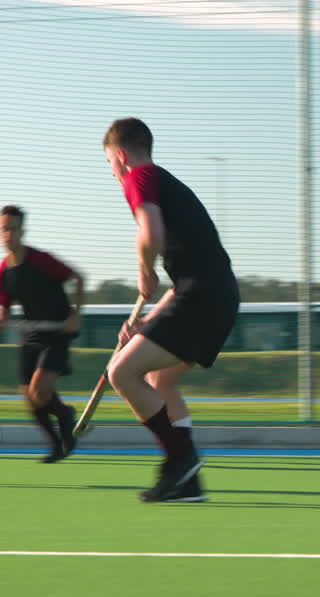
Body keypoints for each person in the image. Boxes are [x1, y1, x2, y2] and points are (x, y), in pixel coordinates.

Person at [102, 117, 239, 502]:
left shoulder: (139, 177)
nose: (111, 172)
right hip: (216, 296)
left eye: (109, 163)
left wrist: (144, 270)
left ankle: (181, 459)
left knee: (121, 372)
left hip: (202, 297)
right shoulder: (164, 181)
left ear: (121, 156)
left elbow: (150, 234)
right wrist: (148, 321)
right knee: (160, 381)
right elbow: (184, 280)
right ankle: (187, 483)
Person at [0, 205, 85, 463]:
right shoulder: (2, 272)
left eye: (13, 229)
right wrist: (1, 319)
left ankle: (66, 415)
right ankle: (56, 444)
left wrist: (75, 315)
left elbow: (78, 278)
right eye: (4, 229)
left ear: (22, 231)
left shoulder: (41, 260)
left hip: (59, 331)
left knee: (39, 391)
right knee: (30, 398)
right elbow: (5, 310)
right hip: (33, 334)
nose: (8, 234)